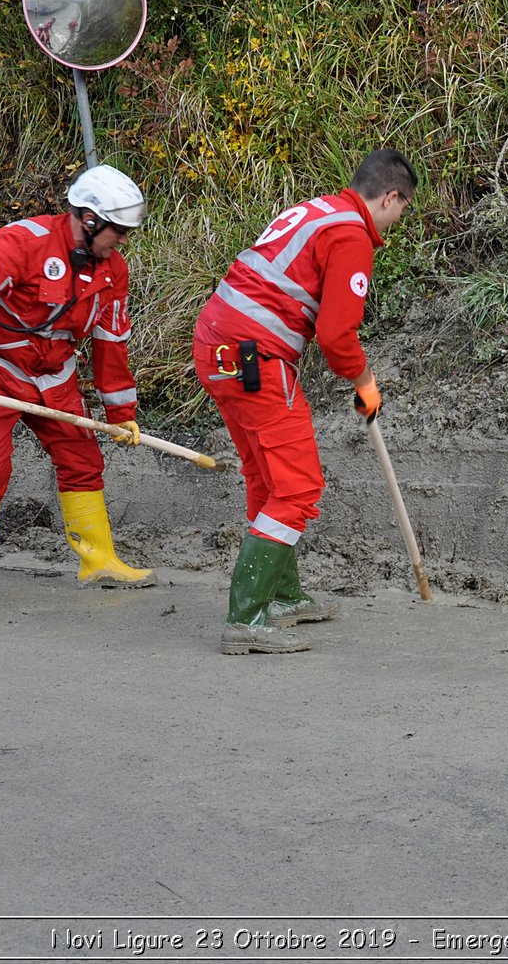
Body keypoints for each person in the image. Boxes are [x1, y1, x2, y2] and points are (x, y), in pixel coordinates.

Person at [192, 148, 417, 655]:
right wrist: (365, 385)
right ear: (390, 197)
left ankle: (284, 596)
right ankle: (246, 618)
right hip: (255, 360)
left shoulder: (318, 211)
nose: (400, 219)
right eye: (404, 208)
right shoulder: (351, 234)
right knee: (297, 489)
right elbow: (337, 335)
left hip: (219, 348)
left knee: (268, 479)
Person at [0, 165, 156, 603]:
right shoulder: (22, 242)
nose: (123, 240)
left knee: (82, 459)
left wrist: (122, 415)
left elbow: (111, 343)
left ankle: (98, 561)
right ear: (90, 220)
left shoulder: (113, 271)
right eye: (118, 230)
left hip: (54, 376)